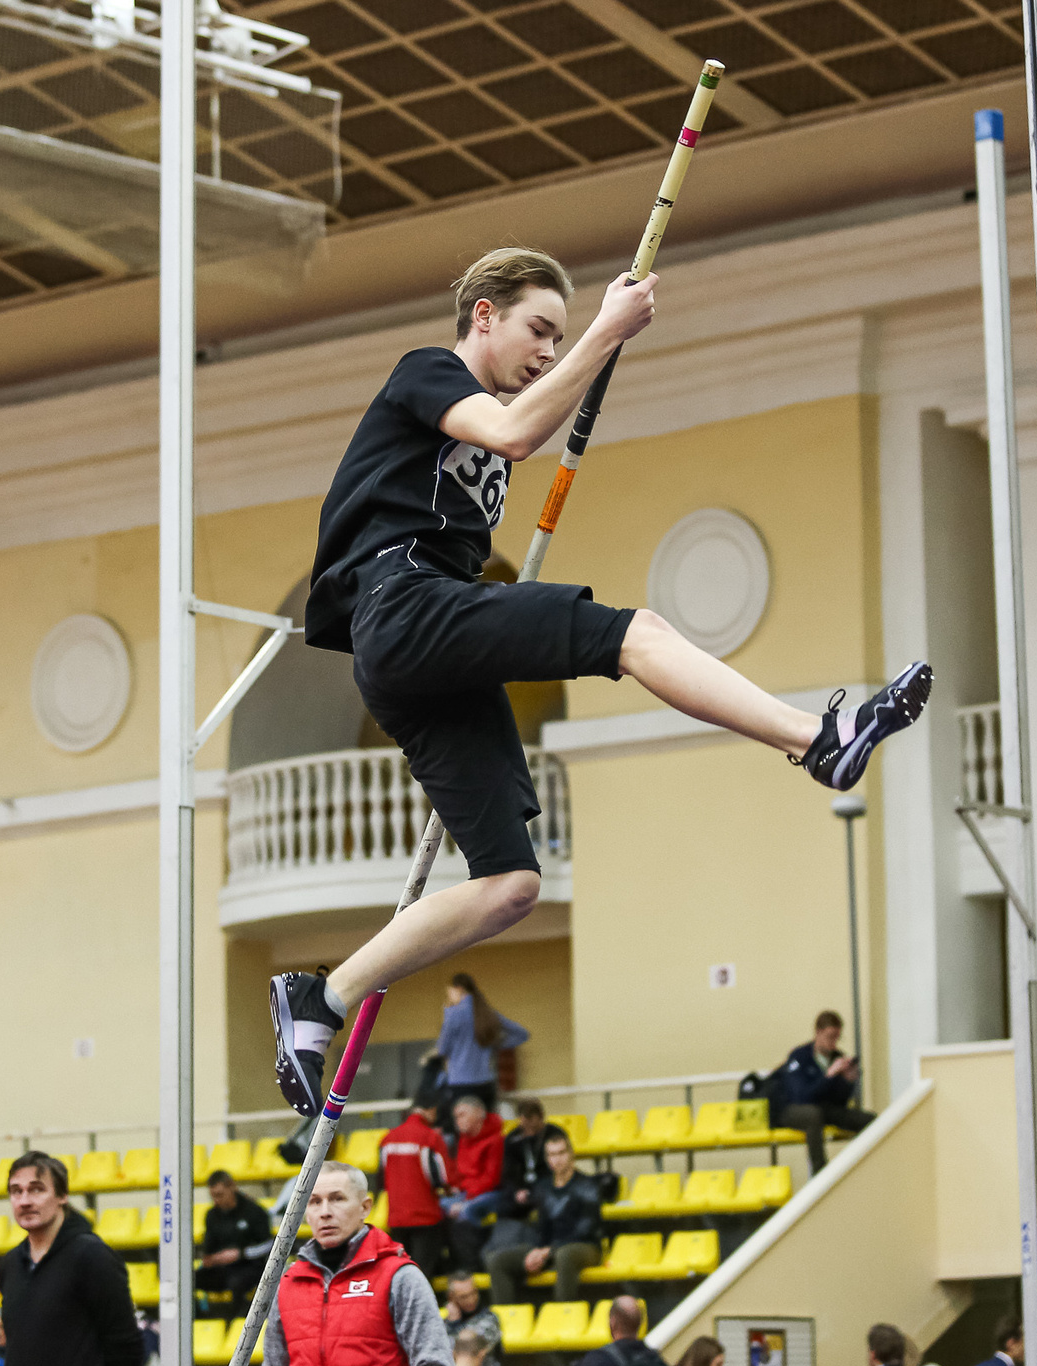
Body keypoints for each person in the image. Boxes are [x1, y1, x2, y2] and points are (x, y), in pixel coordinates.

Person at [269, 248, 931, 1113]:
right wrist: (608, 333)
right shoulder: (425, 372)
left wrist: (585, 360)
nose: (548, 349)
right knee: (636, 633)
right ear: (483, 315)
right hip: (402, 604)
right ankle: (816, 739)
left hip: (417, 644)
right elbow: (513, 432)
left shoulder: (486, 417)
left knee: (509, 884)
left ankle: (320, 999)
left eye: (561, 335)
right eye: (537, 329)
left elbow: (517, 431)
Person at [257, 1161, 458, 1366]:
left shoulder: (400, 1277)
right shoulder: (289, 1284)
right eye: (314, 1201)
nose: (324, 1212)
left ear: (365, 1206)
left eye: (337, 1199)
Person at [0, 1150, 144, 1366]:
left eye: (36, 1189)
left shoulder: (92, 1257)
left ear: (61, 1196)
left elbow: (126, 1351)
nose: (24, 1200)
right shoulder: (10, 1265)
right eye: (16, 1191)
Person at [485, 1125, 604, 1305]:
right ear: (547, 1159)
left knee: (564, 1255)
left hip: (585, 1246)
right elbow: (542, 1228)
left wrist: (549, 1250)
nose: (557, 1159)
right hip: (550, 1248)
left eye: (561, 1153)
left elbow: (585, 1230)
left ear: (571, 1154)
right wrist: (535, 1251)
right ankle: (507, 1321)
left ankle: (563, 1315)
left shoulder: (587, 1185)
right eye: (552, 1155)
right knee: (499, 1261)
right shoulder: (543, 1187)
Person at [770, 1011, 874, 1172]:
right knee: (813, 1114)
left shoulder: (837, 1057)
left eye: (837, 1037)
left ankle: (864, 1169)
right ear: (818, 1032)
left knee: (870, 1120)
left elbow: (839, 1103)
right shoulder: (800, 1056)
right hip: (790, 1110)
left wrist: (847, 1082)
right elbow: (802, 1096)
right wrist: (829, 1075)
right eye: (830, 1036)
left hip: (823, 1108)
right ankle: (820, 1172)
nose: (834, 1042)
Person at [383, 1085, 455, 1278]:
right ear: (431, 1109)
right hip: (425, 1217)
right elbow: (444, 1179)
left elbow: (382, 1178)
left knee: (401, 1275)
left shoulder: (388, 1139)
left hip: (397, 1218)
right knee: (422, 1276)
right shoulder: (430, 1138)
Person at [436, 974, 527, 1119]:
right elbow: (522, 1034)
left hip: (461, 1085)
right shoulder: (487, 1012)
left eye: (449, 991)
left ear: (458, 989)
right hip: (485, 1083)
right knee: (487, 1127)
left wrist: (446, 1012)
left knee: (466, 1131)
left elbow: (442, 1049)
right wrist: (496, 1044)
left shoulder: (454, 1014)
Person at [442, 1094, 508, 1249]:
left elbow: (491, 1179)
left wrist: (465, 1200)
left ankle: (472, 1263)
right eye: (456, 1116)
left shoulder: (496, 1141)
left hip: (491, 1193)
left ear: (479, 1113)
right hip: (466, 1192)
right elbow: (459, 1172)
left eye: (462, 1115)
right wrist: (454, 1188)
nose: (458, 1120)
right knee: (435, 1208)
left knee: (466, 1211)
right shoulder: (463, 1139)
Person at [199, 1168, 274, 1305]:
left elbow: (269, 1244)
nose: (216, 1200)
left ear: (232, 1187)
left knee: (237, 1282)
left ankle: (237, 1321)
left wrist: (241, 1253)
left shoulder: (254, 1211)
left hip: (250, 1265)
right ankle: (197, 1318)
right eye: (213, 1196)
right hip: (222, 1267)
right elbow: (208, 1247)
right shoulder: (211, 1215)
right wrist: (210, 1258)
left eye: (220, 1195)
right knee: (189, 1278)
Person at [442, 1271, 503, 1357]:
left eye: (474, 1293)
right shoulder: (444, 1323)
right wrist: (451, 1324)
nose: (471, 1299)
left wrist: (454, 1326)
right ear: (451, 1298)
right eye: (464, 1296)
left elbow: (469, 1349)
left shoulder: (489, 1318)